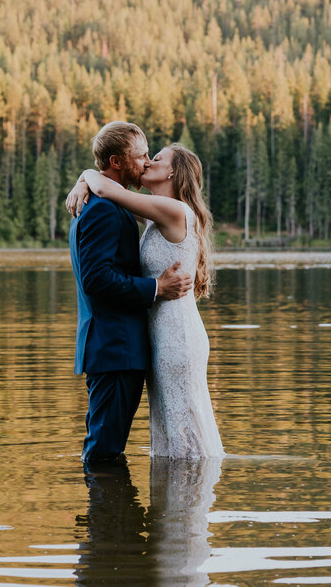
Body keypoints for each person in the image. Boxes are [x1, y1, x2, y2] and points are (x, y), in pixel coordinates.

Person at [67, 136, 225, 459]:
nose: (149, 161)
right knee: (171, 430)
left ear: (172, 175)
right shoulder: (156, 216)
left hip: (176, 336)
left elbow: (110, 190)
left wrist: (86, 177)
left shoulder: (174, 211)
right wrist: (87, 179)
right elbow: (111, 190)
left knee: (183, 430)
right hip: (160, 334)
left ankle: (187, 501)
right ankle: (178, 501)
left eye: (157, 159)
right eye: (146, 156)